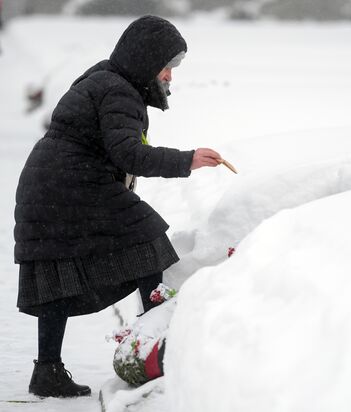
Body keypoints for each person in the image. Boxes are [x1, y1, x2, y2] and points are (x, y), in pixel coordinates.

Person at [14, 15, 222, 398]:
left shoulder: (107, 79)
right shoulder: (119, 91)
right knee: (150, 242)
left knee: (58, 273)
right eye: (166, 67)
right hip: (73, 185)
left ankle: (48, 371)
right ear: (146, 61)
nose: (170, 77)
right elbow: (129, 153)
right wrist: (186, 160)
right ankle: (153, 347)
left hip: (47, 186)